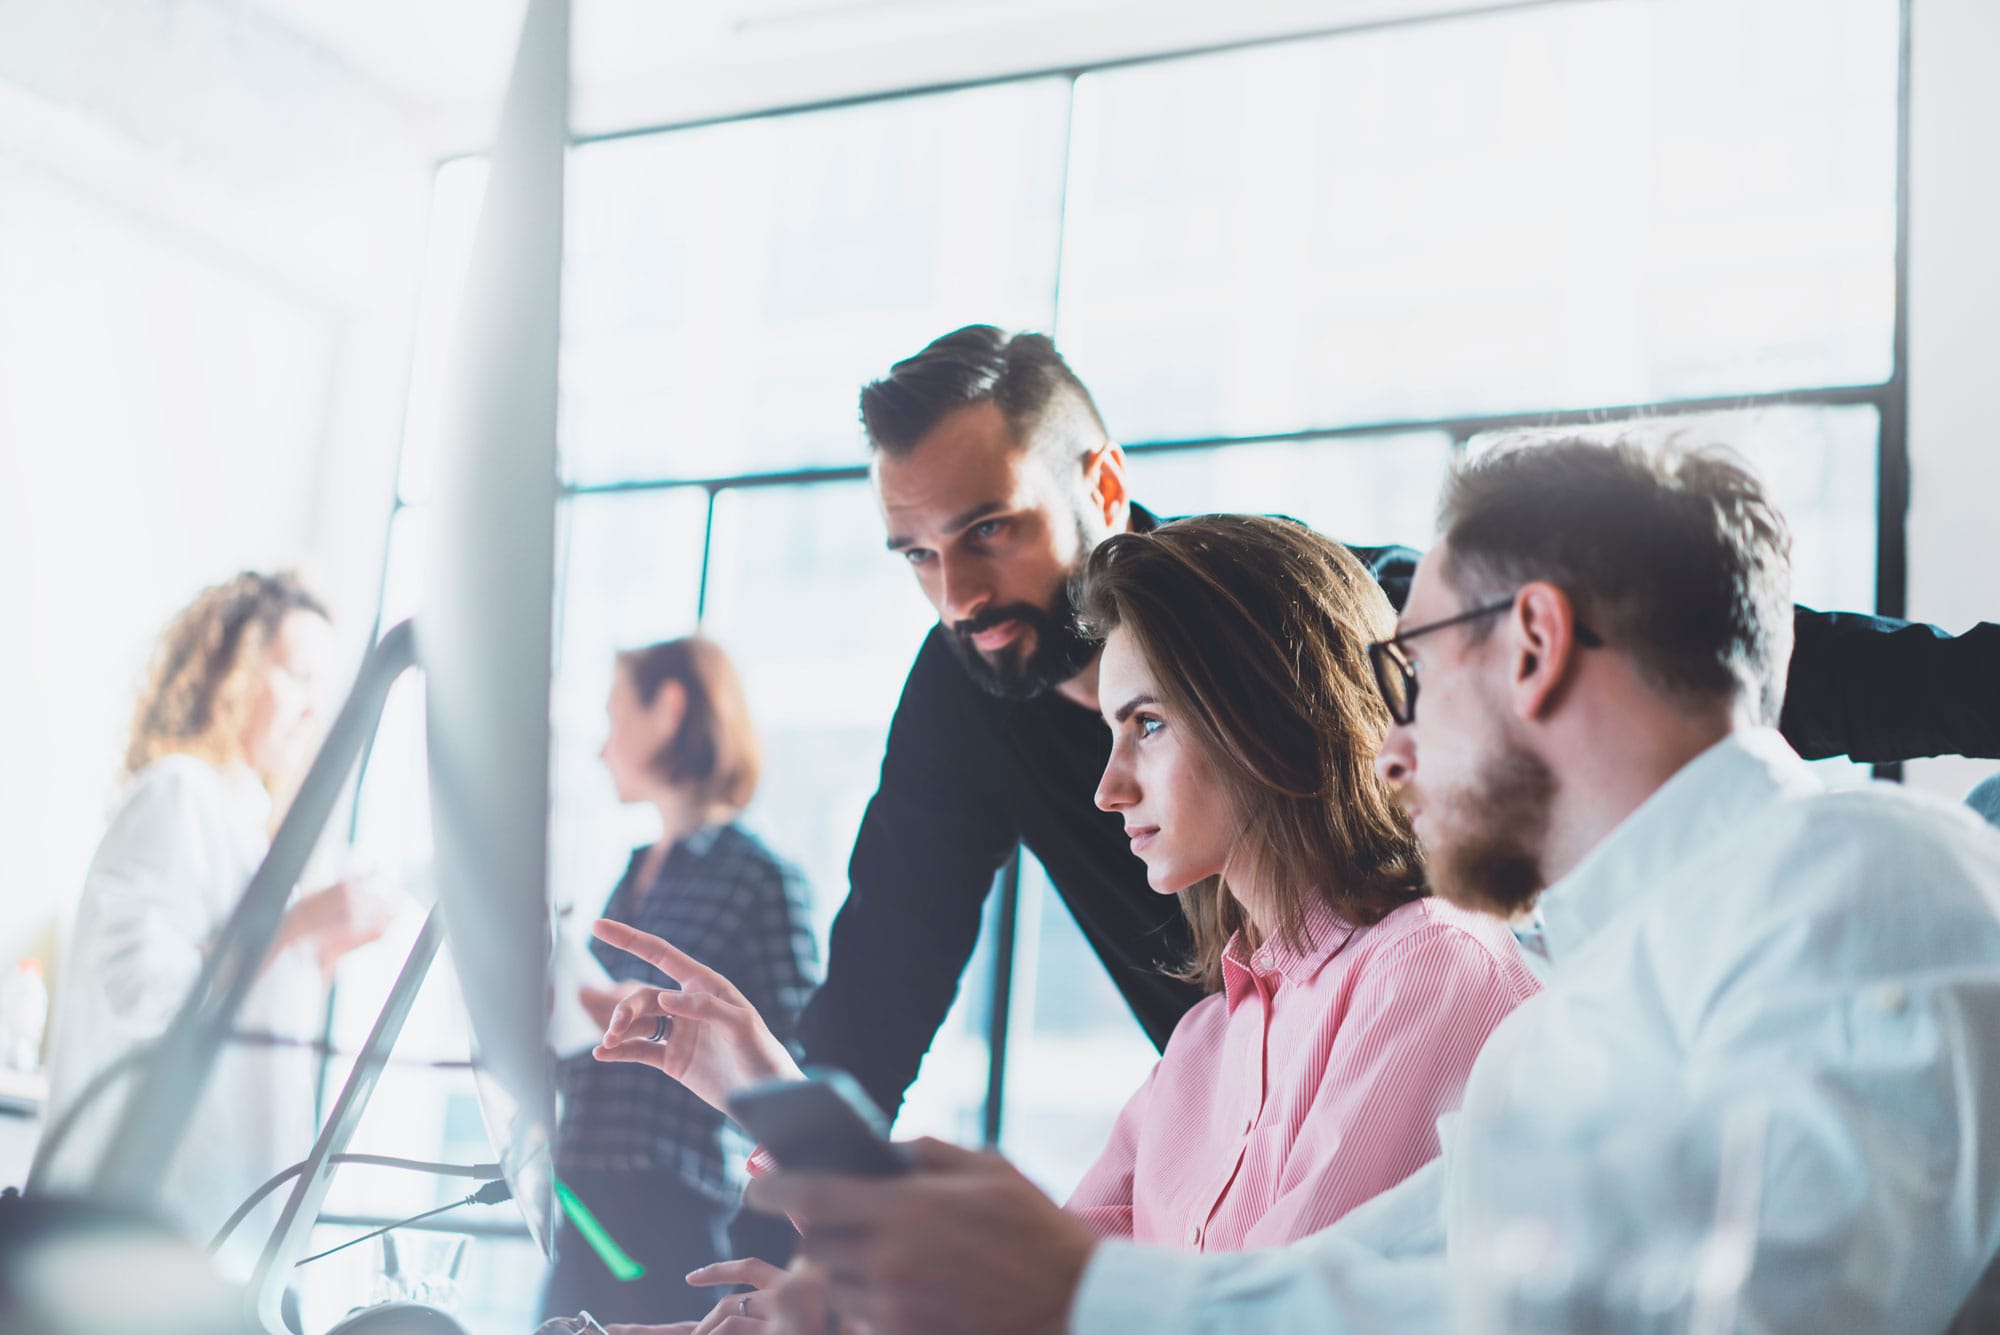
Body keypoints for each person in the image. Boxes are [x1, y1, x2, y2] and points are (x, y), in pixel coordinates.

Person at [749, 432, 2000, 1335]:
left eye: (1411, 662)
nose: (1385, 738)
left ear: (1533, 645)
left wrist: (1074, 1294)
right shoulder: (1556, 1034)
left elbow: (1756, 1306)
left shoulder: (1860, 876)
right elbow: (1356, 1285)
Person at [792, 325, 2000, 1127]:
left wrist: (1970, 690)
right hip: (1256, 1126)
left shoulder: (1286, 611)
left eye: (989, 531)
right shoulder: (957, 699)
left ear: (1100, 486)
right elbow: (879, 986)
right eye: (917, 555)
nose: (958, 596)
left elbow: (1654, 652)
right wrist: (790, 1229)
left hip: (1458, 1077)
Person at [592, 519, 1539, 1330]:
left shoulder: (1432, 967)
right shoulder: (1210, 1038)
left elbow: (1243, 1317)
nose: (1106, 784)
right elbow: (1038, 1291)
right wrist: (767, 1094)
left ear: (1266, 712)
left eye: (1148, 725)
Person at [40, 571, 393, 1277]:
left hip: (217, 1239)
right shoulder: (177, 793)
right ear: (227, 675)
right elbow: (149, 996)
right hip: (137, 1240)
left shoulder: (249, 828)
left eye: (322, 686)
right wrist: (292, 926)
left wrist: (316, 954)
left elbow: (239, 1019)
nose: (311, 709)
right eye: (296, 675)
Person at [541, 638, 819, 1327]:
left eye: (614, 717)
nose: (601, 747)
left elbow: (797, 1057)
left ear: (667, 709)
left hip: (674, 1208)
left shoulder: (761, 877)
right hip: (584, 1194)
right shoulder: (633, 873)